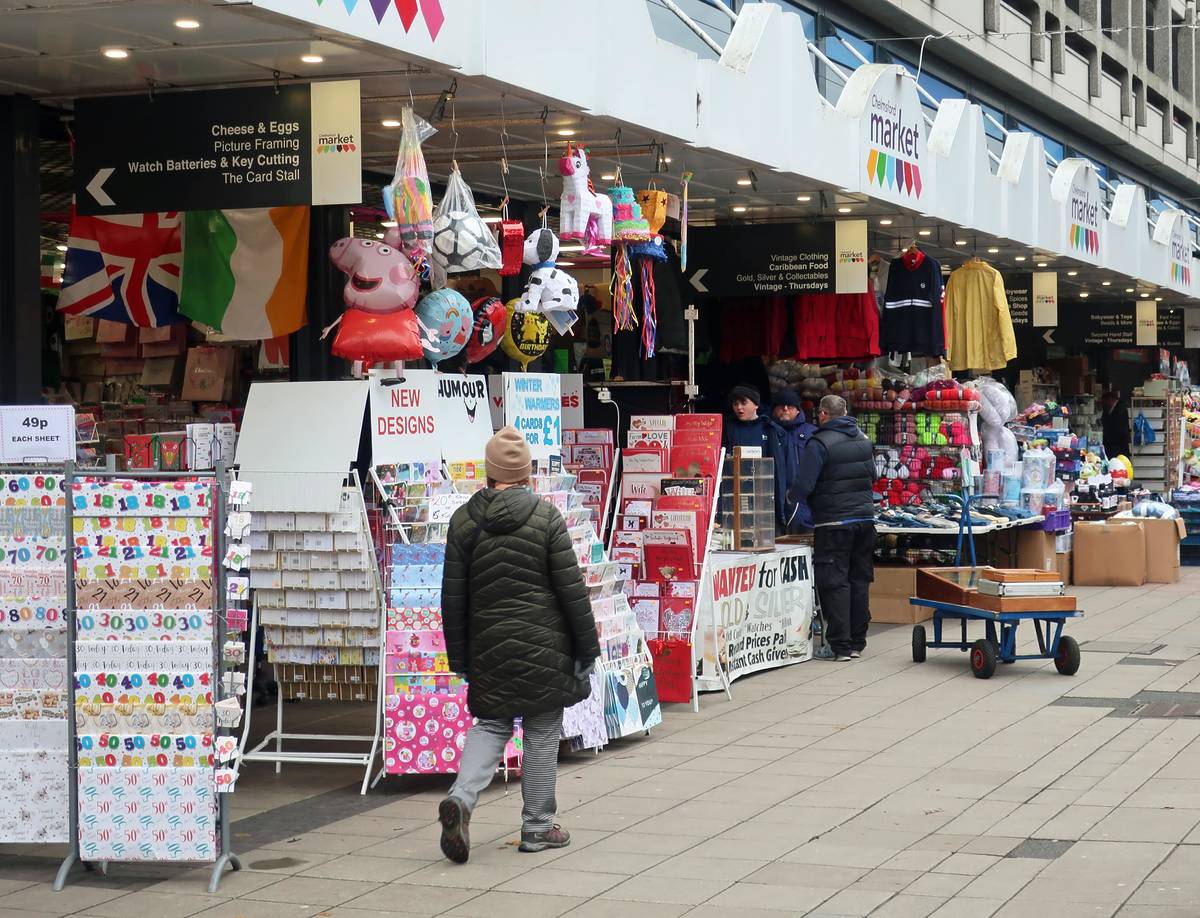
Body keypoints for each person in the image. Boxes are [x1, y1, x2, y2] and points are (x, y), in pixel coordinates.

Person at [437, 426, 601, 863]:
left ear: (488, 474)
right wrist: (588, 649)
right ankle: (537, 827)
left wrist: (461, 658)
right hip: (544, 647)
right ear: (527, 475)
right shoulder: (546, 518)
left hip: (488, 648)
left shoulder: (463, 522)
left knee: (491, 724)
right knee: (543, 730)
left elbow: (452, 598)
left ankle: (461, 799)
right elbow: (571, 591)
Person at [790, 395, 876, 662]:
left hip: (834, 522)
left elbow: (804, 485)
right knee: (859, 580)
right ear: (846, 412)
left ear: (823, 414)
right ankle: (857, 643)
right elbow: (872, 475)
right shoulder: (862, 439)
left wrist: (791, 498)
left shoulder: (819, 443)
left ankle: (839, 645)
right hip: (865, 519)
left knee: (835, 582)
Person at [723, 384, 792, 528]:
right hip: (734, 495)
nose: (739, 408)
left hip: (764, 497)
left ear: (756, 404)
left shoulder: (771, 429)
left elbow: (783, 468)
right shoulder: (727, 429)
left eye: (743, 403)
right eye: (735, 404)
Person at [772, 388, 818, 530]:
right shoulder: (767, 430)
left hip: (803, 501)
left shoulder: (812, 433)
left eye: (790, 406)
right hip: (772, 497)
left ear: (798, 410)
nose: (785, 409)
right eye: (780, 406)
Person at [1101, 390, 1131, 460]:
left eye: (1104, 403)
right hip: (1114, 445)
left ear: (1110, 400)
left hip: (1118, 446)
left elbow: (1121, 429)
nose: (1103, 405)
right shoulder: (1111, 409)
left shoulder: (1120, 409)